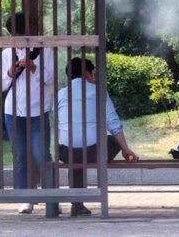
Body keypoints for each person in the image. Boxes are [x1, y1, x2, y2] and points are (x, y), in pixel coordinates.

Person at [57, 58, 136, 217]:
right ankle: (79, 204)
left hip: (65, 152)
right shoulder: (98, 91)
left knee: (75, 156)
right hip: (93, 153)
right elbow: (112, 122)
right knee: (111, 141)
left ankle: (77, 204)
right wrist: (125, 149)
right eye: (92, 74)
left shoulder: (60, 94)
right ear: (87, 74)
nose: (93, 78)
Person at [0, 12, 54, 214]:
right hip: (13, 112)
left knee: (41, 154)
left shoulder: (43, 51)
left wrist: (34, 67)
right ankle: (26, 198)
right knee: (20, 156)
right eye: (14, 35)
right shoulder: (5, 54)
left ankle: (51, 197)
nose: (18, 39)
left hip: (38, 111)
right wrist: (11, 72)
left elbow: (50, 79)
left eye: (21, 34)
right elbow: (0, 85)